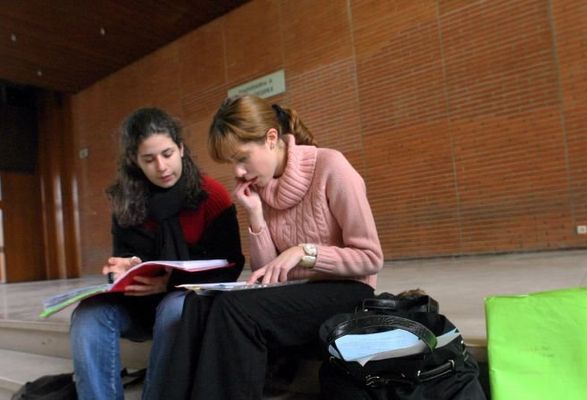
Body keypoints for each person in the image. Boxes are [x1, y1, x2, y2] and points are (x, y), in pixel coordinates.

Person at [162, 94, 384, 399]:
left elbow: (371, 258)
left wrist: (305, 254)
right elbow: (268, 275)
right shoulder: (259, 188)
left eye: (241, 158)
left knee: (233, 310)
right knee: (198, 304)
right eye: (232, 163)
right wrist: (255, 216)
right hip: (296, 295)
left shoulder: (331, 166)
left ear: (271, 138)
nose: (238, 172)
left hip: (349, 291)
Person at [69, 107, 245, 400]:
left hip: (186, 302)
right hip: (139, 305)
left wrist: (169, 283)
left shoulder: (211, 196)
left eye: (167, 154)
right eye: (148, 159)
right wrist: (122, 268)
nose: (161, 167)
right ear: (134, 162)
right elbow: (122, 259)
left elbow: (231, 265)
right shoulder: (126, 202)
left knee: (174, 307)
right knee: (88, 315)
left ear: (181, 148)